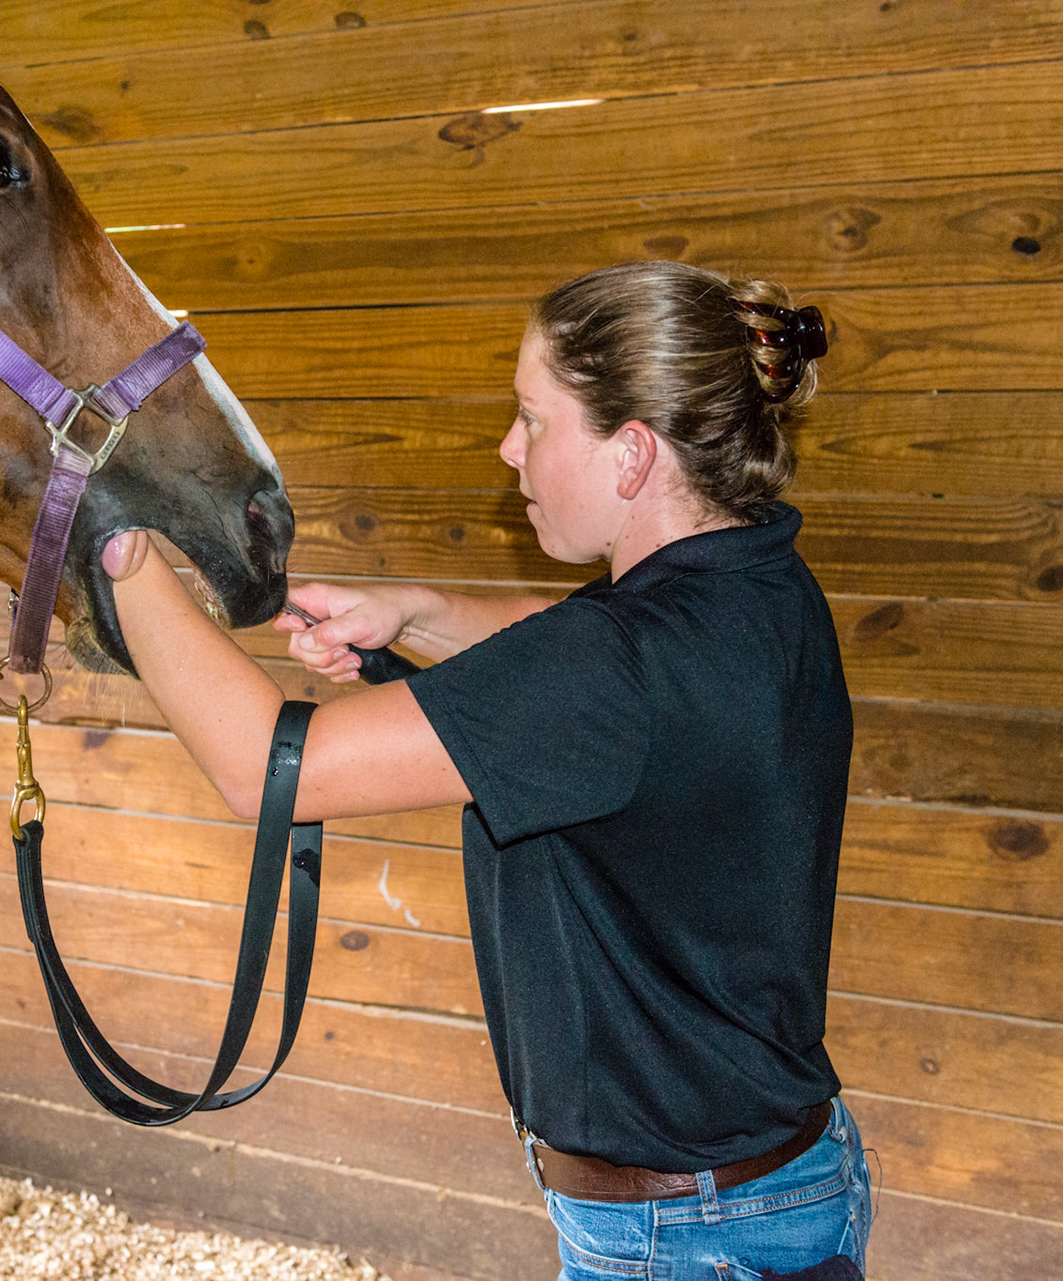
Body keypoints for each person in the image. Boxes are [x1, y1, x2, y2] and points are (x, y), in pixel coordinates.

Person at [97, 260, 873, 1280]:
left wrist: (115, 548)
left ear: (633, 455)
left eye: (535, 420)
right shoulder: (753, 582)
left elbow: (263, 768)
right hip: (763, 1188)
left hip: (686, 1241)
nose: (509, 451)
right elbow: (567, 649)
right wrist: (413, 614)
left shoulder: (611, 670)